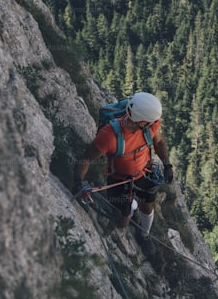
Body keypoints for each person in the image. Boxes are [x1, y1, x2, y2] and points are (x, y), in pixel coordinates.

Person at [73, 92, 174, 240]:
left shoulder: (149, 128)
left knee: (147, 206)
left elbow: (159, 142)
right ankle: (130, 207)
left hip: (145, 172)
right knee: (122, 220)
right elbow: (87, 158)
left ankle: (144, 236)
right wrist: (78, 182)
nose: (155, 124)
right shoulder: (109, 136)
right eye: (152, 122)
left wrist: (167, 165)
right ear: (142, 122)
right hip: (118, 180)